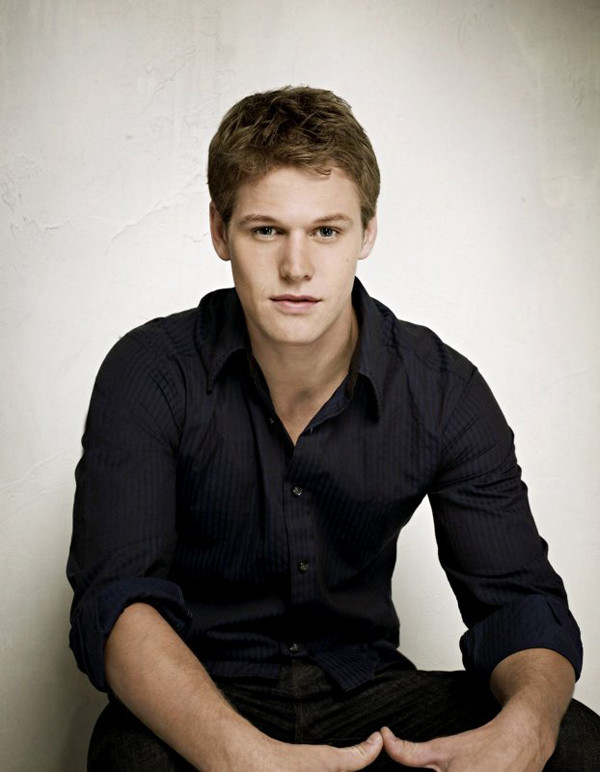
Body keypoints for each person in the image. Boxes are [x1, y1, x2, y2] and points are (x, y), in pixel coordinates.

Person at [67, 86, 600, 771]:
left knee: (574, 741)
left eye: (326, 231)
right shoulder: (150, 372)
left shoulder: (441, 389)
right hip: (204, 692)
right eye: (266, 230)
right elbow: (117, 602)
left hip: (365, 694)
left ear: (366, 233)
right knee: (131, 759)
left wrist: (525, 730)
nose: (297, 268)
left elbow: (518, 603)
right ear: (219, 231)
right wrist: (243, 757)